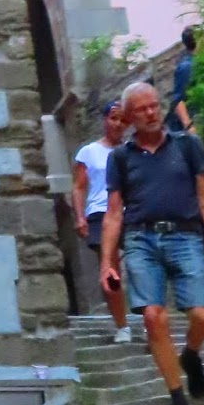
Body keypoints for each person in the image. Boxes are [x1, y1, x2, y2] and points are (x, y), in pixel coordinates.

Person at [100, 81, 204, 405]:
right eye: (142, 109)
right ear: (129, 117)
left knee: (202, 315)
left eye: (154, 106)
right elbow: (114, 213)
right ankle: (178, 400)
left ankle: (190, 355)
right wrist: (106, 264)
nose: (151, 113)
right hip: (140, 240)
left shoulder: (188, 146)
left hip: (186, 236)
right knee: (152, 316)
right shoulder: (119, 157)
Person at [73, 102, 131, 343]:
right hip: (99, 213)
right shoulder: (89, 152)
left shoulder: (132, 150)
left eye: (122, 120)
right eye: (114, 118)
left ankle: (150, 317)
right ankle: (122, 326)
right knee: (111, 270)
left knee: (141, 264)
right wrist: (79, 217)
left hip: (132, 211)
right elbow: (78, 187)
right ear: (105, 119)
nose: (118, 124)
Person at [166, 27, 198, 134]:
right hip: (185, 128)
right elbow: (178, 100)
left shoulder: (197, 62)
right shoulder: (187, 67)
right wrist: (189, 126)